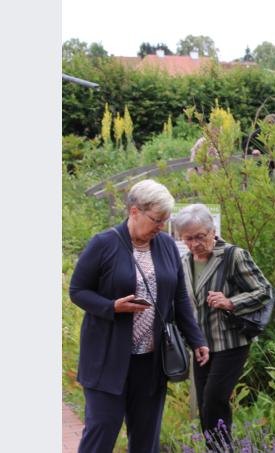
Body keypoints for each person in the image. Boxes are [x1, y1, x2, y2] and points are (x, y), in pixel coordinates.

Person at [69, 179, 209, 453]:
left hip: (151, 362)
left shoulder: (166, 246)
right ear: (135, 211)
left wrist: (197, 339)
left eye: (165, 221)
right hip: (107, 361)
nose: (161, 227)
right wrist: (111, 307)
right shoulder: (104, 243)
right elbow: (78, 290)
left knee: (146, 441)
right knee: (101, 434)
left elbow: (179, 297)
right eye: (157, 220)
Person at [172, 203, 275, 444]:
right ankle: (218, 448)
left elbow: (264, 290)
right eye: (188, 239)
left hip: (231, 342)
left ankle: (220, 448)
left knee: (215, 399)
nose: (195, 244)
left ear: (212, 230)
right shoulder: (185, 262)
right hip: (201, 346)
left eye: (200, 237)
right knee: (206, 405)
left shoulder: (232, 255)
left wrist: (231, 302)